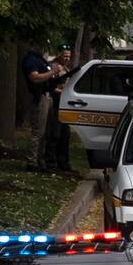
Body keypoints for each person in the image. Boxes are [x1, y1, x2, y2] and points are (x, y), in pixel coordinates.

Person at [20, 44, 65, 172]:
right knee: (38, 131)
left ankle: (40, 161)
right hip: (39, 97)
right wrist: (53, 72)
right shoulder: (30, 60)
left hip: (48, 95)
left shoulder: (40, 59)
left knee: (45, 132)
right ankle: (32, 162)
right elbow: (35, 77)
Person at [45, 46, 74, 174]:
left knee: (65, 135)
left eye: (68, 56)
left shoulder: (66, 68)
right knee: (55, 135)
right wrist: (63, 93)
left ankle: (63, 163)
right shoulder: (53, 67)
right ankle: (51, 163)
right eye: (65, 55)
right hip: (55, 104)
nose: (67, 58)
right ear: (59, 55)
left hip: (64, 105)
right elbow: (50, 87)